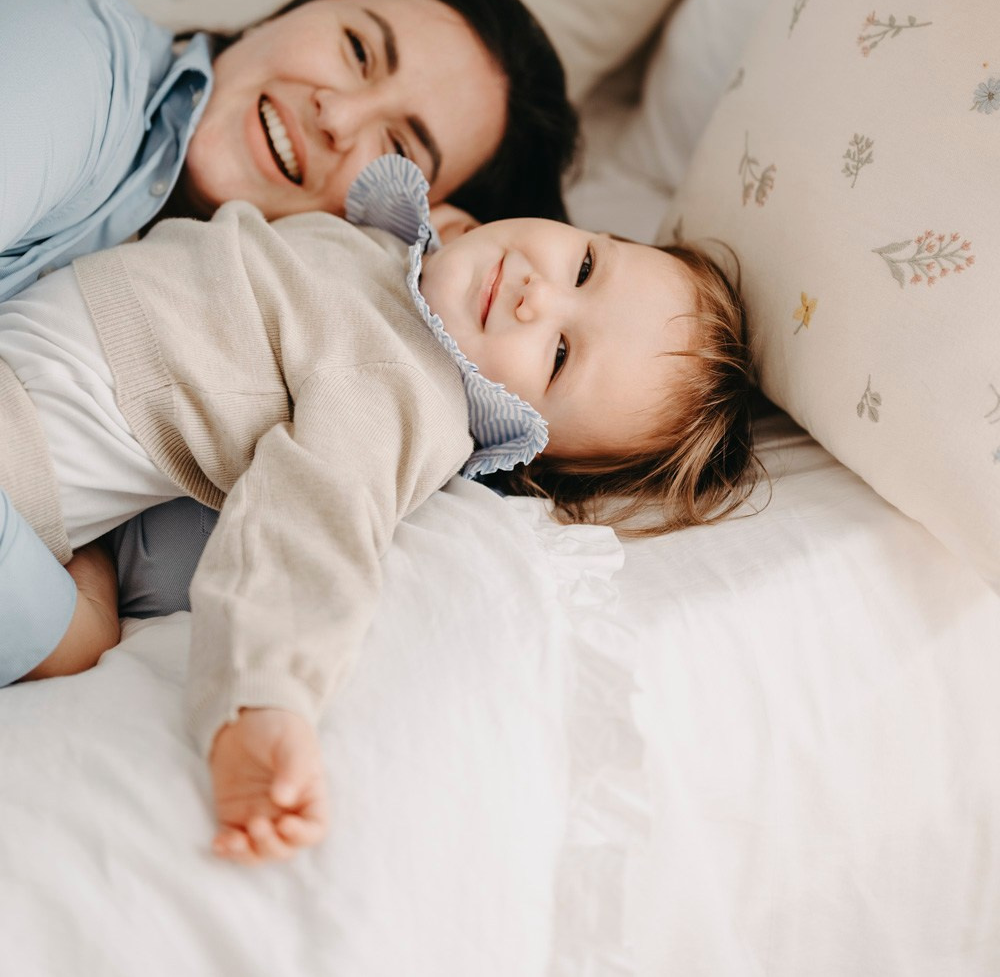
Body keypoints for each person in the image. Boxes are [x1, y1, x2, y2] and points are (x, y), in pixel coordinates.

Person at [0, 153, 759, 865]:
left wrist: (265, 699)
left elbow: (316, 521)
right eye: (585, 266)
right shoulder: (387, 254)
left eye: (559, 353)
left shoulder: (411, 391)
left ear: (521, 432)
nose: (539, 295)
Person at [0, 0, 579, 673]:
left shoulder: (262, 366)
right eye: (358, 49)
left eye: (396, 149)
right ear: (291, 7)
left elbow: (178, 572)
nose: (335, 116)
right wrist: (64, 636)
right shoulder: (70, 56)